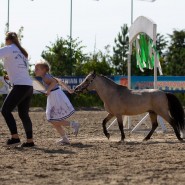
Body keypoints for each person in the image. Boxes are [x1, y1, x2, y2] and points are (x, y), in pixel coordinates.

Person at [0, 32, 34, 147]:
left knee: (5, 110)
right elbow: (21, 70)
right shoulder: (22, 52)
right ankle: (30, 141)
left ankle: (15, 138)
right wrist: (10, 76)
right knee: (24, 114)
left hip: (20, 86)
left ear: (7, 40)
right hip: (28, 86)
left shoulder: (9, 48)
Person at [35, 60, 79, 145]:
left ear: (44, 70)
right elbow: (59, 81)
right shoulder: (47, 76)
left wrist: (48, 90)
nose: (35, 70)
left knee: (52, 119)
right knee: (53, 120)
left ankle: (73, 124)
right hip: (55, 96)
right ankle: (65, 138)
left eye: (37, 69)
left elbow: (55, 82)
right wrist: (69, 90)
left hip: (55, 97)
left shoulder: (45, 77)